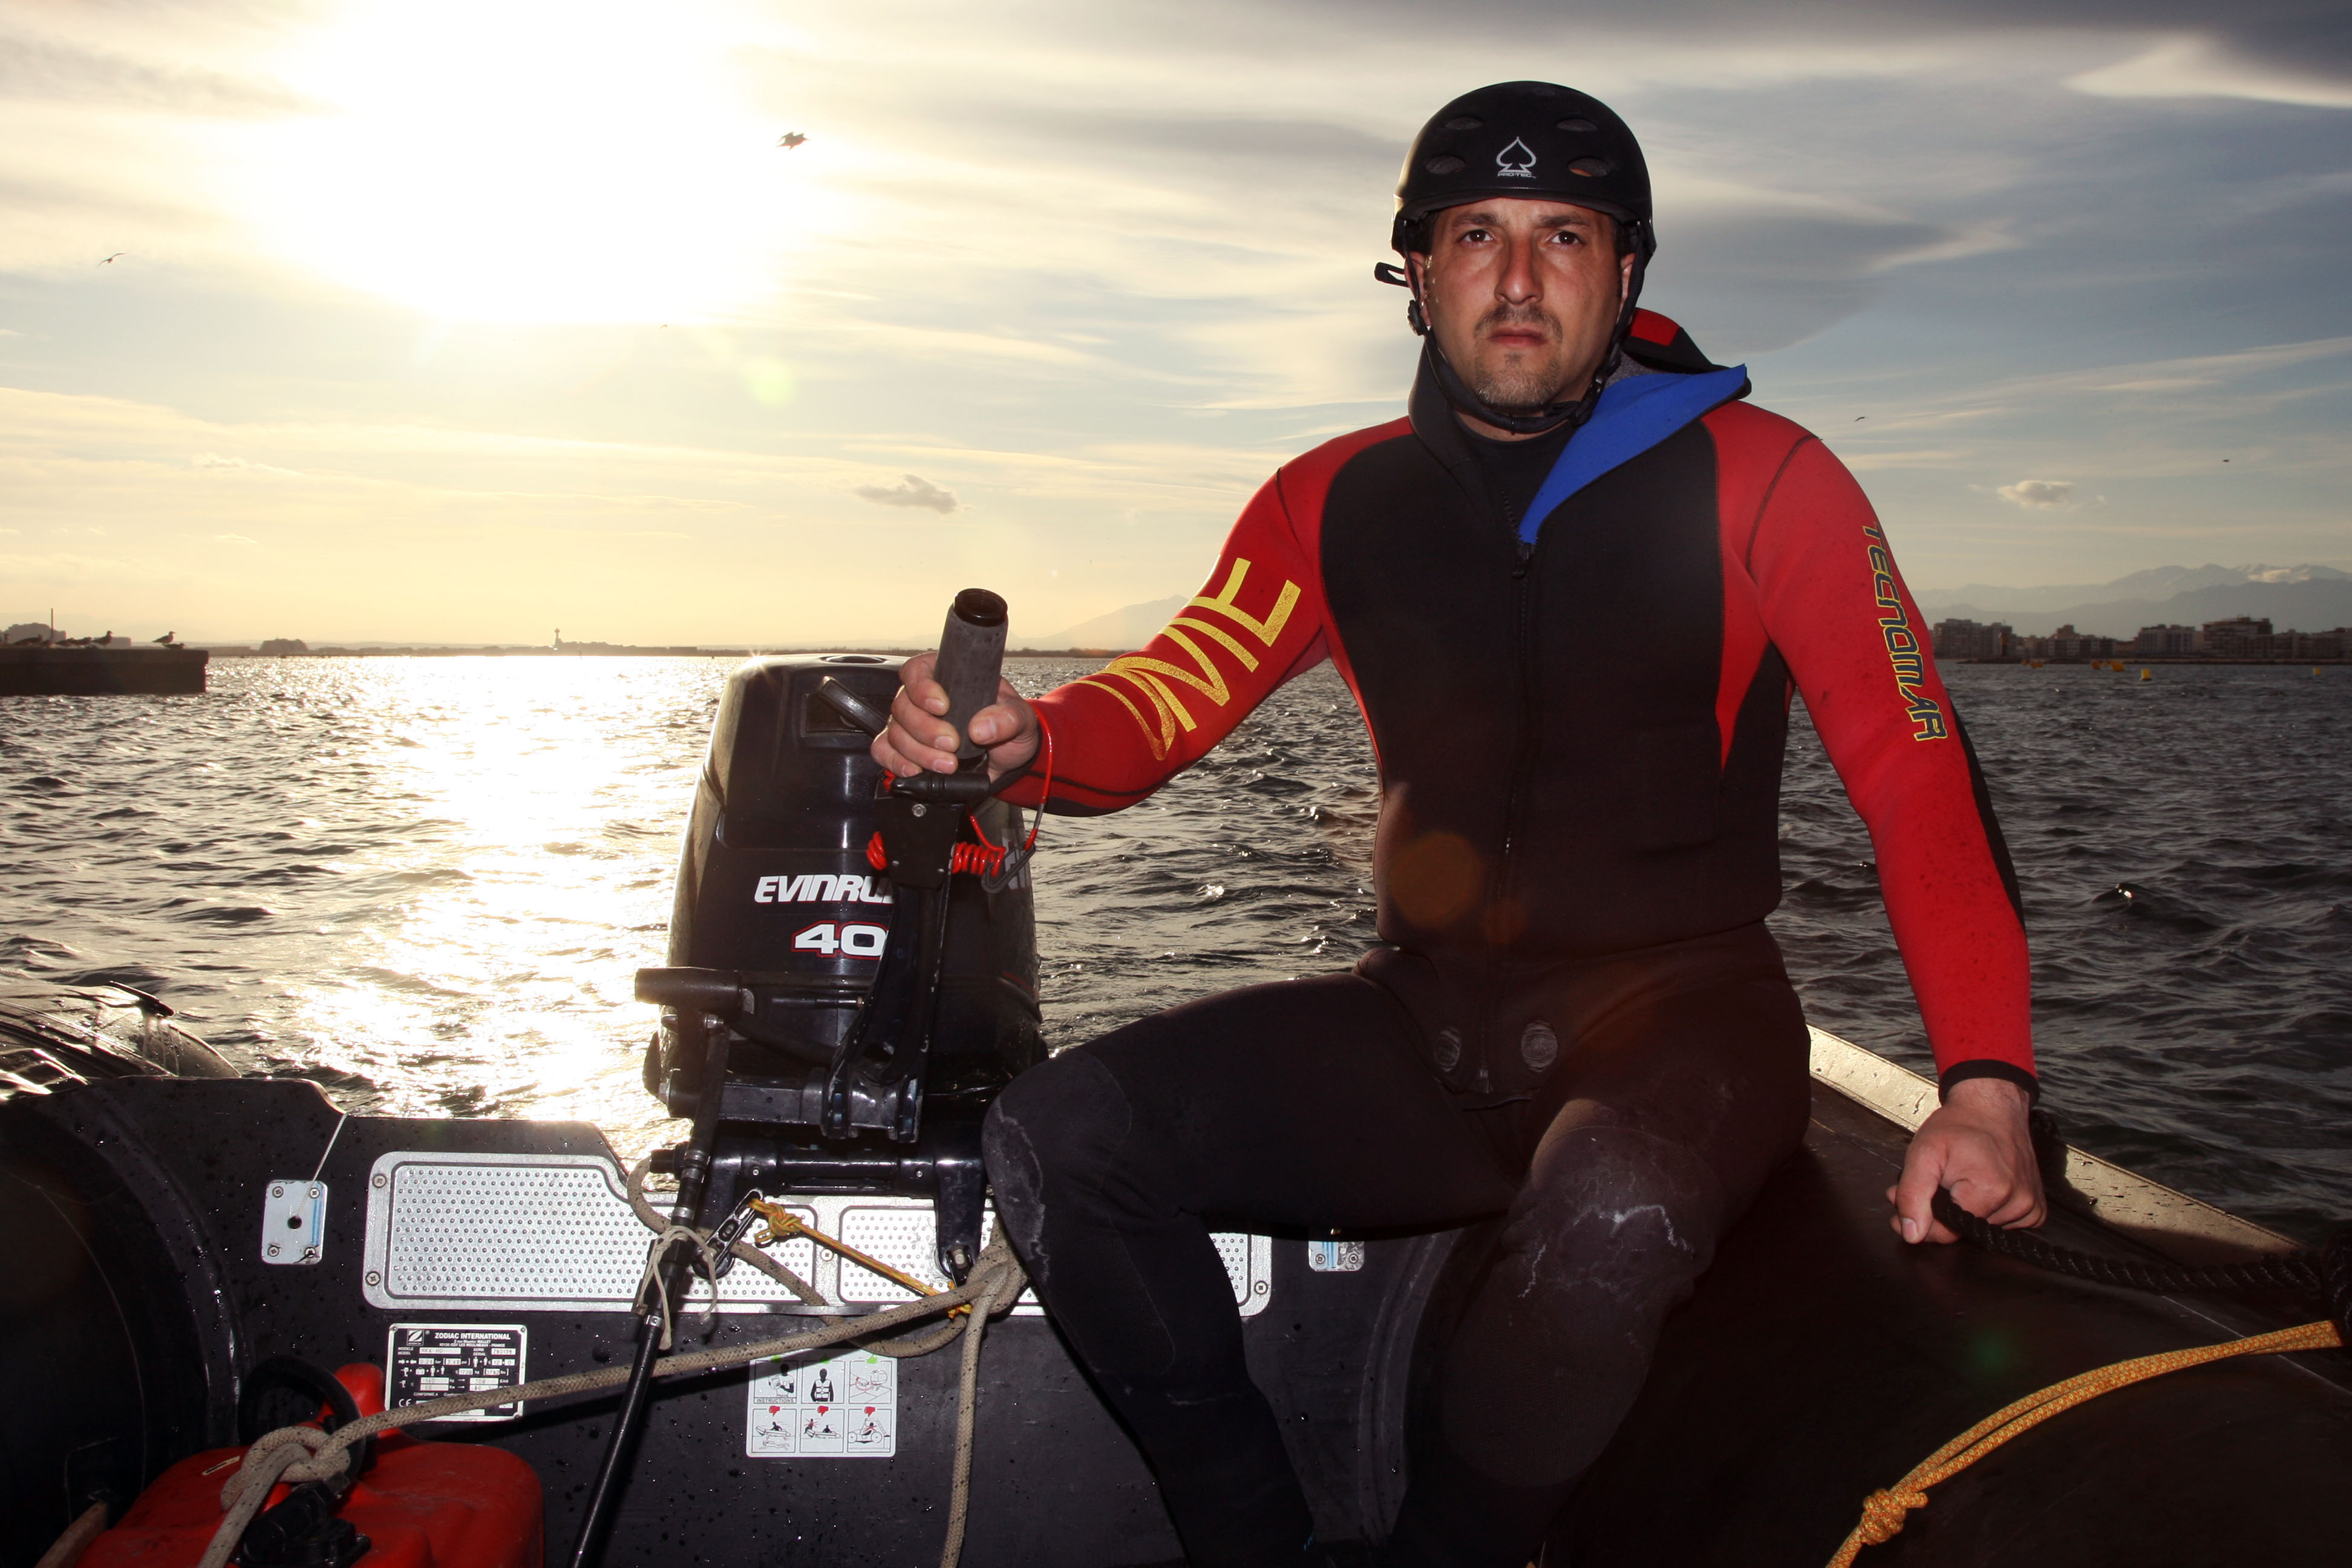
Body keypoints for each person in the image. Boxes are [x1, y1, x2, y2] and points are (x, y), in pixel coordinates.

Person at [873, 80, 2045, 1568]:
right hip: (1426, 1025)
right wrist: (1029, 737)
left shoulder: (1772, 479)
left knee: (1612, 1208)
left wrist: (1987, 1084)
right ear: (1417, 274)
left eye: (1567, 234)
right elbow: (1172, 694)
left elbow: (1915, 770)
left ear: (1627, 271)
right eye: (1476, 233)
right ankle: (1251, 1542)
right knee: (1059, 1139)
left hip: (1683, 1022)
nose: (1519, 275)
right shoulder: (1327, 498)